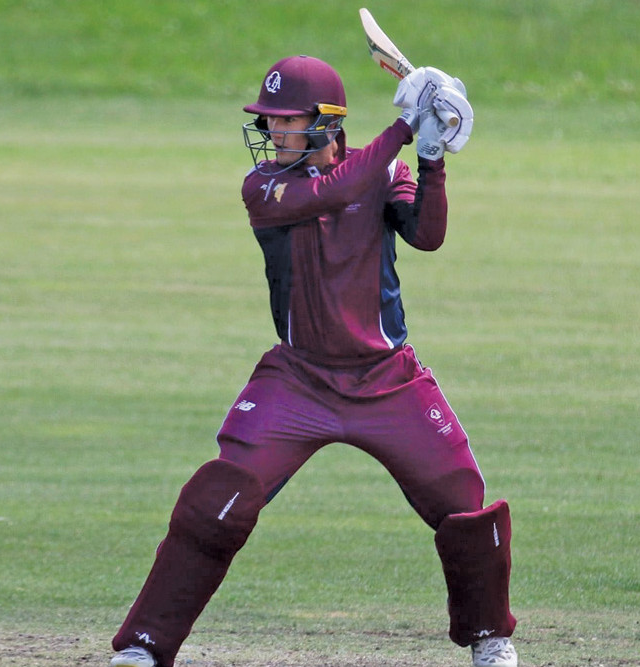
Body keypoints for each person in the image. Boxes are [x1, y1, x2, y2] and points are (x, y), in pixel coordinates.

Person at [110, 54, 519, 667]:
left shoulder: (381, 172)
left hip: (388, 380)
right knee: (220, 496)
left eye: (284, 122)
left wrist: (431, 158)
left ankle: (491, 639)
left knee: (464, 499)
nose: (272, 135)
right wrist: (406, 128)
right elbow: (336, 190)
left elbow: (427, 234)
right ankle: (142, 649)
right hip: (298, 379)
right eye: (267, 123)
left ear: (327, 125)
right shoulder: (266, 188)